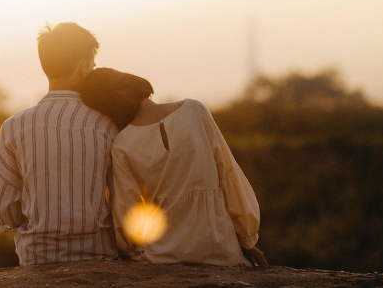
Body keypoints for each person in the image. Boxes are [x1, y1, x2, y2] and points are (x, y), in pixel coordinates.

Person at [80, 67, 268, 267]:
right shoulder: (195, 111)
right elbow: (228, 176)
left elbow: (128, 212)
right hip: (219, 249)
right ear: (132, 81)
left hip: (161, 256)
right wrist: (247, 240)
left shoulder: (122, 145)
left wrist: (129, 250)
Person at [0, 23, 120, 266]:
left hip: (37, 257)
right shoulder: (107, 125)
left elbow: (8, 212)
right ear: (82, 66)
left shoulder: (13, 127)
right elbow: (121, 201)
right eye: (92, 66)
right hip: (99, 255)